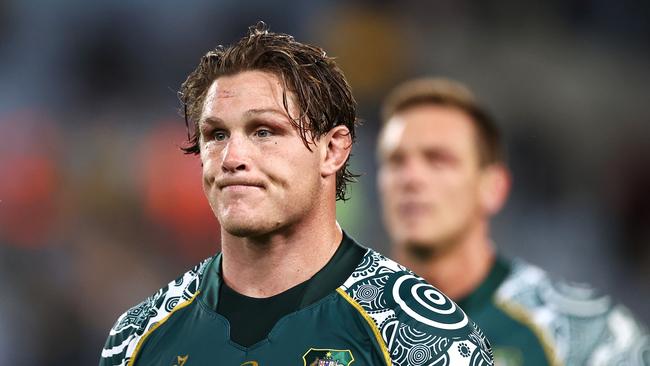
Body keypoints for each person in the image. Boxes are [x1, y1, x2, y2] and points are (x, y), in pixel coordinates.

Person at [99, 24, 493, 366]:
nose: (232, 157)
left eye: (264, 131)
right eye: (216, 135)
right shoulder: (137, 338)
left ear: (333, 150)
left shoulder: (422, 339)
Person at [377, 77, 650, 365]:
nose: (411, 178)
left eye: (438, 160)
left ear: (493, 188)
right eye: (396, 161)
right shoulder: (335, 321)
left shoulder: (586, 332)